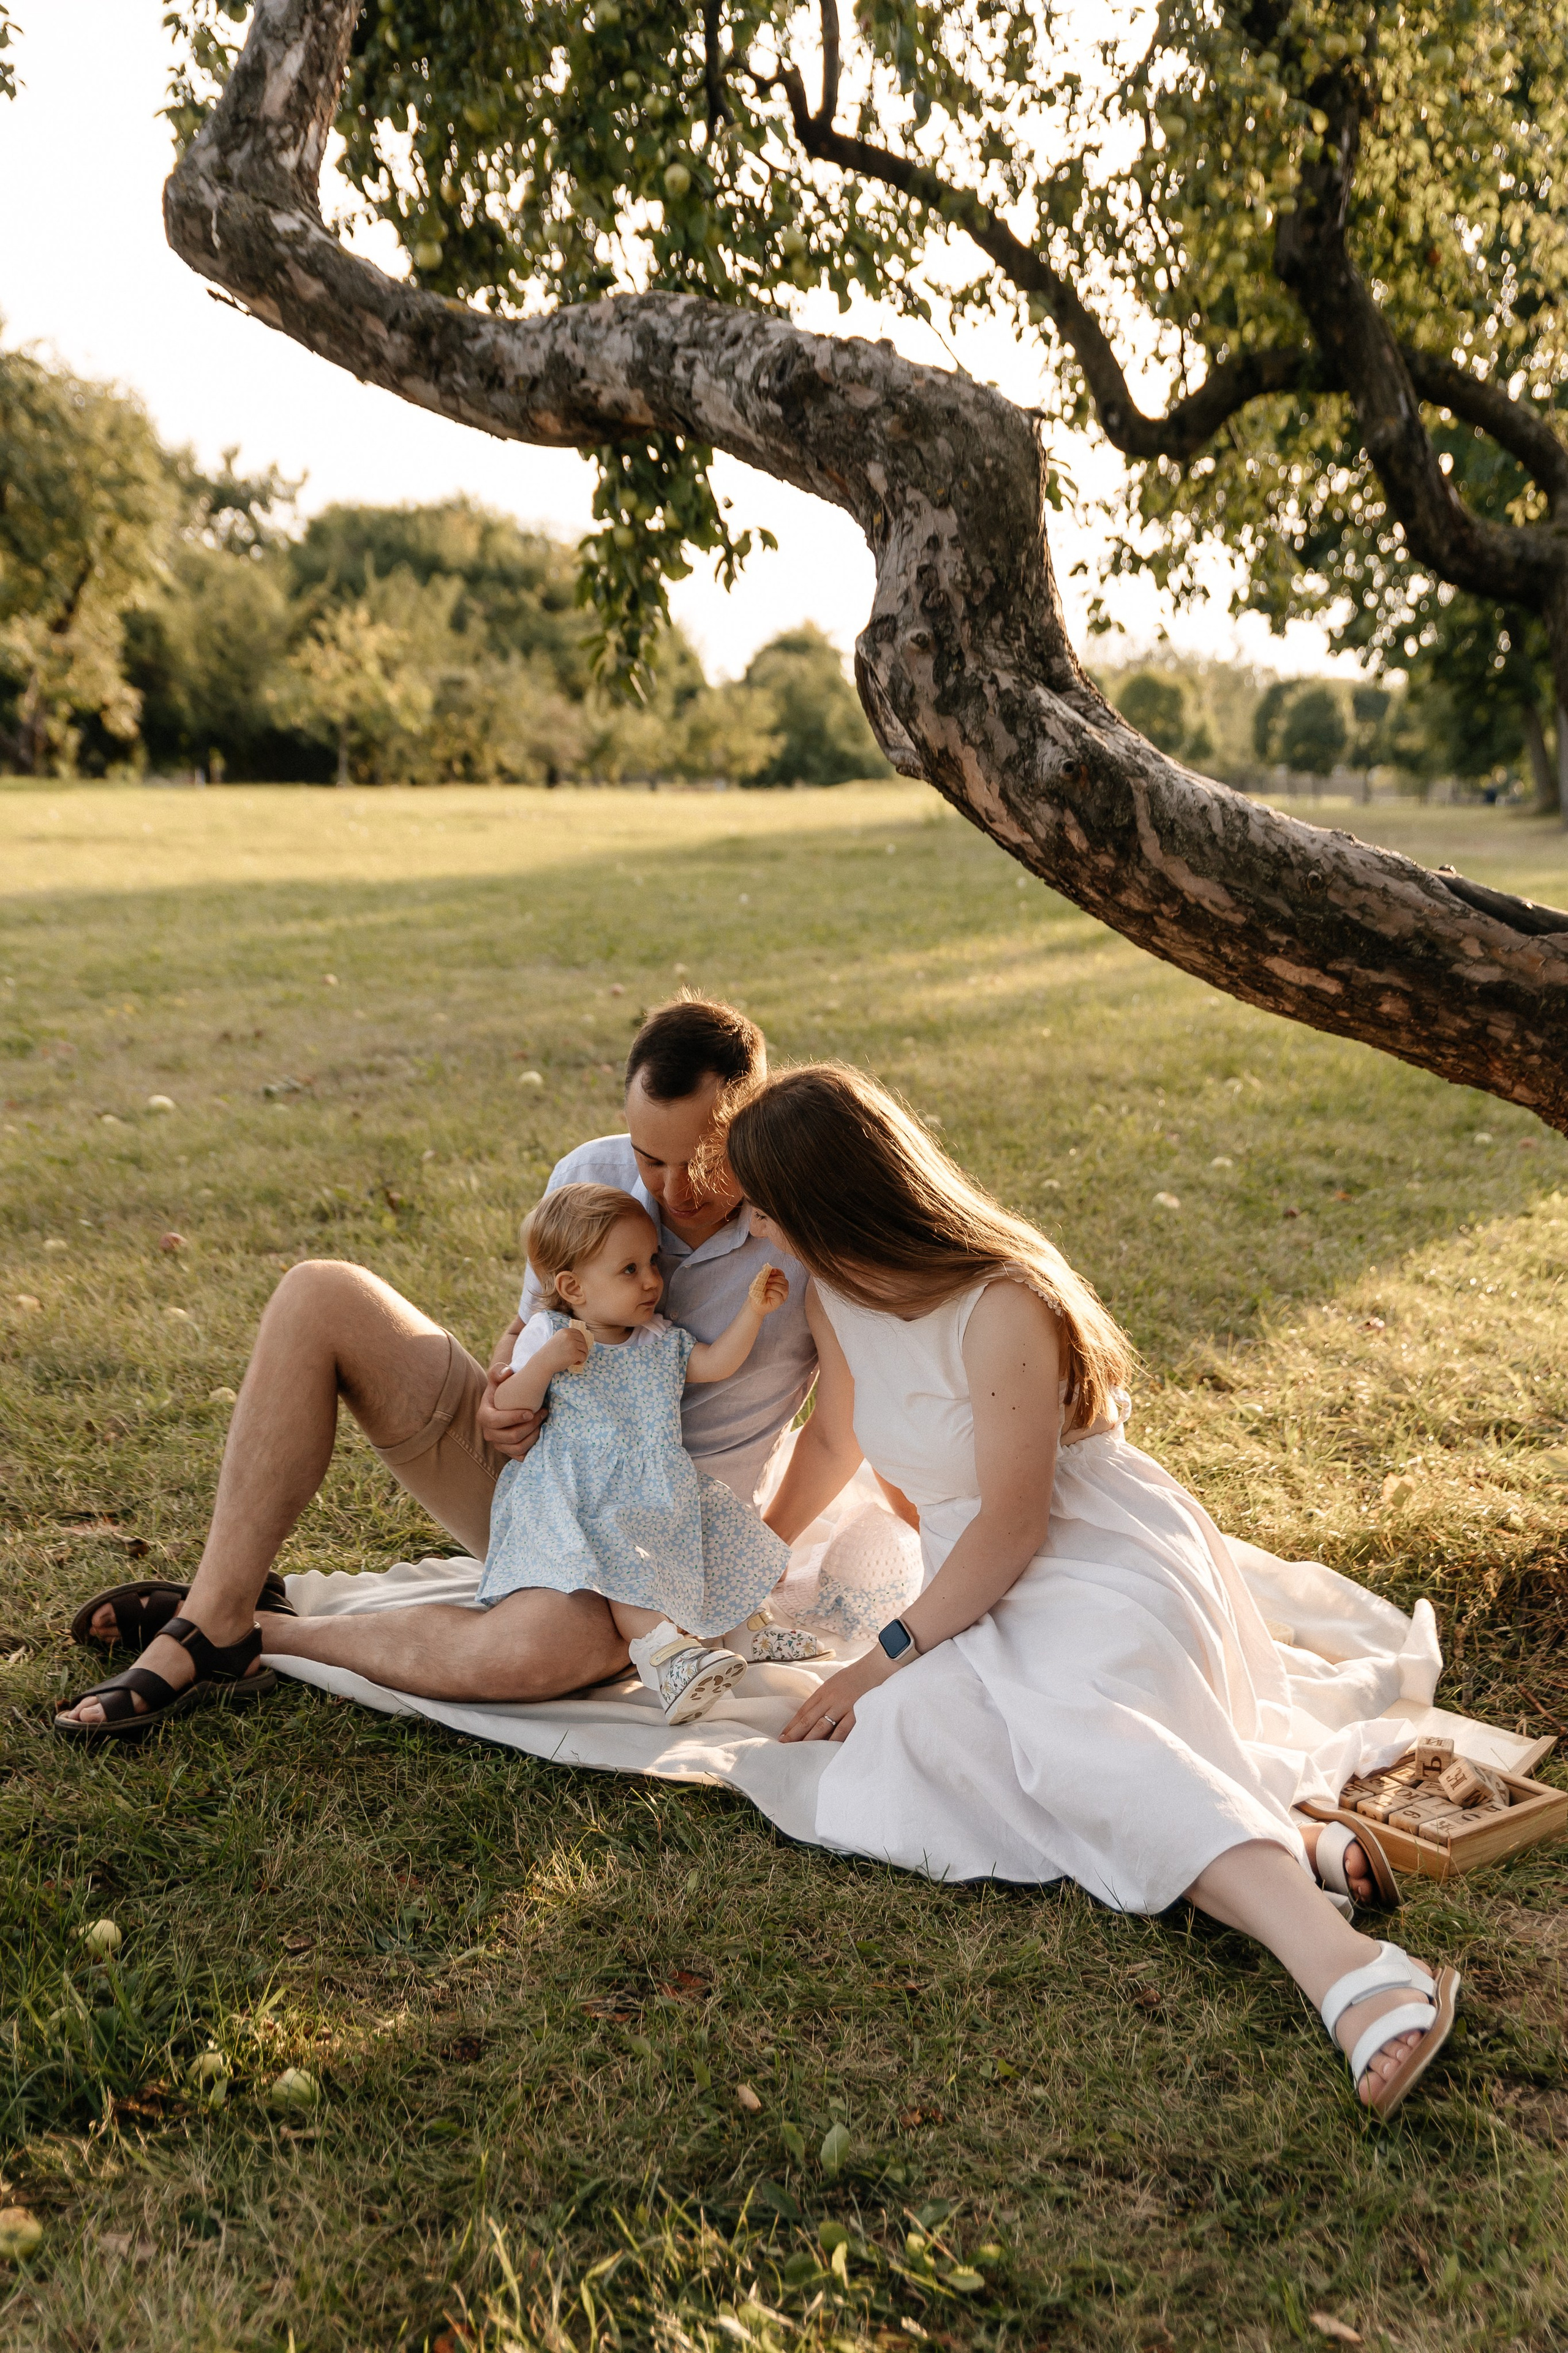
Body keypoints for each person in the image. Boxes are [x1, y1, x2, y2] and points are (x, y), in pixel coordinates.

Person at [725, 1064, 1460, 2120]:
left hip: (1090, 1550)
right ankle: (1279, 1835)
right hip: (965, 1575)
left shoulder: (1002, 1302)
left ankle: (1350, 1968)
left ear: (833, 1202)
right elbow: (841, 1436)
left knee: (1073, 1723)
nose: (754, 1229)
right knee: (929, 1733)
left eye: (766, 1207)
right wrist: (753, 1563)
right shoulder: (837, 1292)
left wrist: (875, 1655)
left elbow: (1015, 1526)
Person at [53, 999, 862, 1737]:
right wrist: (500, 1404)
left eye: (705, 1162)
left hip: (667, 1544)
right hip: (544, 1489)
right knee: (320, 1293)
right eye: (652, 1157)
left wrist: (732, 1571)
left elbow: (837, 1434)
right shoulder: (591, 1175)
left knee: (530, 1655)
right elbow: (529, 1327)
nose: (672, 1189)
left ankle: (242, 1631)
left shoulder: (806, 1230)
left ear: (753, 1122)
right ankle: (218, 1600)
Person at [481, 1181, 814, 1722]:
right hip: (586, 1494)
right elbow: (511, 1402)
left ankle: (749, 1628)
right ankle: (665, 1660)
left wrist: (754, 1310)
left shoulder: (658, 1336)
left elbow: (715, 1364)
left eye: (653, 1262)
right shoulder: (551, 1331)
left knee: (719, 1535)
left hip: (660, 1483)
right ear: (573, 1286)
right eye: (629, 1269)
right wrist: (544, 1363)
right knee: (630, 1565)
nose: (653, 1280)